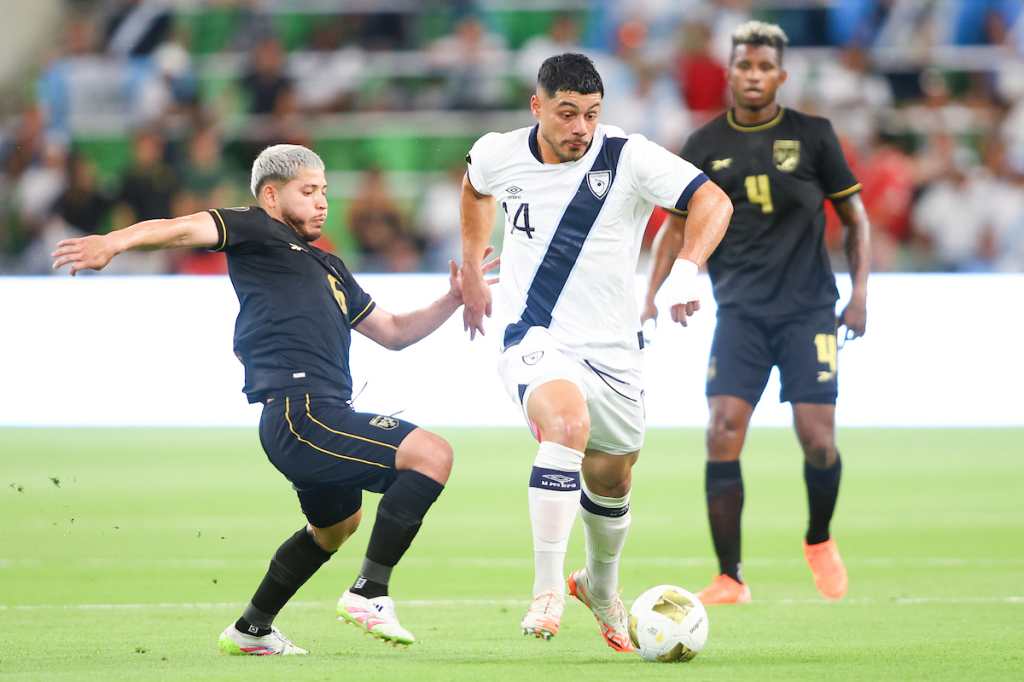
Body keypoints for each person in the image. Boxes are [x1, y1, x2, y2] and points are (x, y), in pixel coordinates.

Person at [51, 144, 497, 655]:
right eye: (307, 192)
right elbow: (182, 228)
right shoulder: (256, 229)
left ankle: (252, 628)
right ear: (270, 195)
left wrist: (451, 298)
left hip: (321, 414)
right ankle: (370, 591)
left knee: (336, 528)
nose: (322, 202)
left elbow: (394, 332)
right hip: (300, 411)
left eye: (324, 191)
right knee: (432, 455)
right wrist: (113, 242)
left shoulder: (329, 264)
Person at [459, 53, 732, 650]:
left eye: (591, 113)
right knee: (566, 424)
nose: (580, 127)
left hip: (614, 350)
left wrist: (686, 270)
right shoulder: (499, 153)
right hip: (534, 336)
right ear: (537, 107)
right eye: (566, 113)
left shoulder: (628, 157)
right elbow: (475, 187)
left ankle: (598, 586)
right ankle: (547, 589)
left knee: (612, 476)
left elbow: (714, 201)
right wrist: (474, 266)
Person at [664, 21, 871, 604]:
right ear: (729, 73)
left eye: (763, 67)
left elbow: (856, 220)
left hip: (809, 312)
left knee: (818, 440)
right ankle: (730, 577)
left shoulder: (814, 135)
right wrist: (655, 294)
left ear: (781, 75)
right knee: (721, 431)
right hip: (741, 315)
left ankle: (819, 539)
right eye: (743, 66)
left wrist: (859, 294)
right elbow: (675, 228)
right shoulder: (703, 144)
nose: (753, 75)